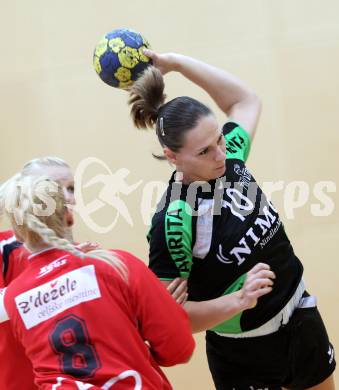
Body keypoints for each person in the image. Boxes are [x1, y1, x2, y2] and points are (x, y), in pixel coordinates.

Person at [128, 50, 336, 390]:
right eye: (204, 151)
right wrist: (237, 301)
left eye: (220, 140)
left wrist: (177, 63)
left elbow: (245, 100)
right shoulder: (174, 220)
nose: (221, 155)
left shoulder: (231, 159)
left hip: (299, 315)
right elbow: (170, 320)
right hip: (245, 354)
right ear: (172, 156)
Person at [0, 168, 195, 389]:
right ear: (69, 215)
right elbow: (179, 349)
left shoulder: (14, 298)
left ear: (16, 234)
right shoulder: (116, 264)